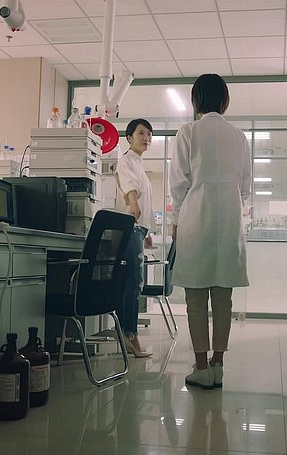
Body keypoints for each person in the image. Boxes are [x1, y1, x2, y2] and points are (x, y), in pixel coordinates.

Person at [169, 74, 252, 389]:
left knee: (195, 296)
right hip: (229, 220)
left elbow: (179, 183)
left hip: (196, 218)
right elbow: (245, 187)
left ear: (195, 101)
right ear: (225, 100)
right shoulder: (239, 136)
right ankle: (218, 364)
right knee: (222, 297)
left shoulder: (188, 131)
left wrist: (176, 220)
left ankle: (201, 367)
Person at [115, 118, 156, 358]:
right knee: (134, 281)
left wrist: (146, 232)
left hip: (138, 229)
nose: (146, 138)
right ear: (129, 138)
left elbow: (145, 198)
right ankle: (129, 334)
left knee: (132, 281)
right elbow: (129, 187)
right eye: (141, 133)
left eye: (149, 134)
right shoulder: (126, 160)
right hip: (131, 225)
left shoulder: (139, 163)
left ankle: (126, 333)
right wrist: (134, 205)